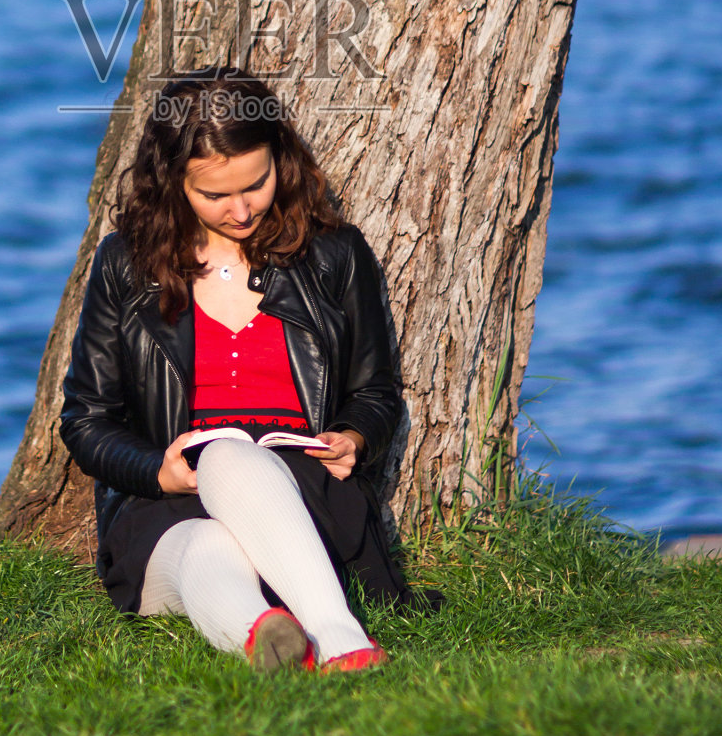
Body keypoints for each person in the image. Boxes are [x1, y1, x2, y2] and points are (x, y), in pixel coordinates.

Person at [59, 66, 440, 673]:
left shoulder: (336, 255)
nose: (240, 210)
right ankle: (293, 640)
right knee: (207, 530)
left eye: (256, 185)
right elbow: (87, 419)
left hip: (304, 492)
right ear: (171, 183)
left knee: (234, 459)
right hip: (171, 505)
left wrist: (355, 436)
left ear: (279, 161)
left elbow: (375, 390)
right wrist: (156, 471)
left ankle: (317, 637)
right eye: (214, 195)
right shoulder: (124, 265)